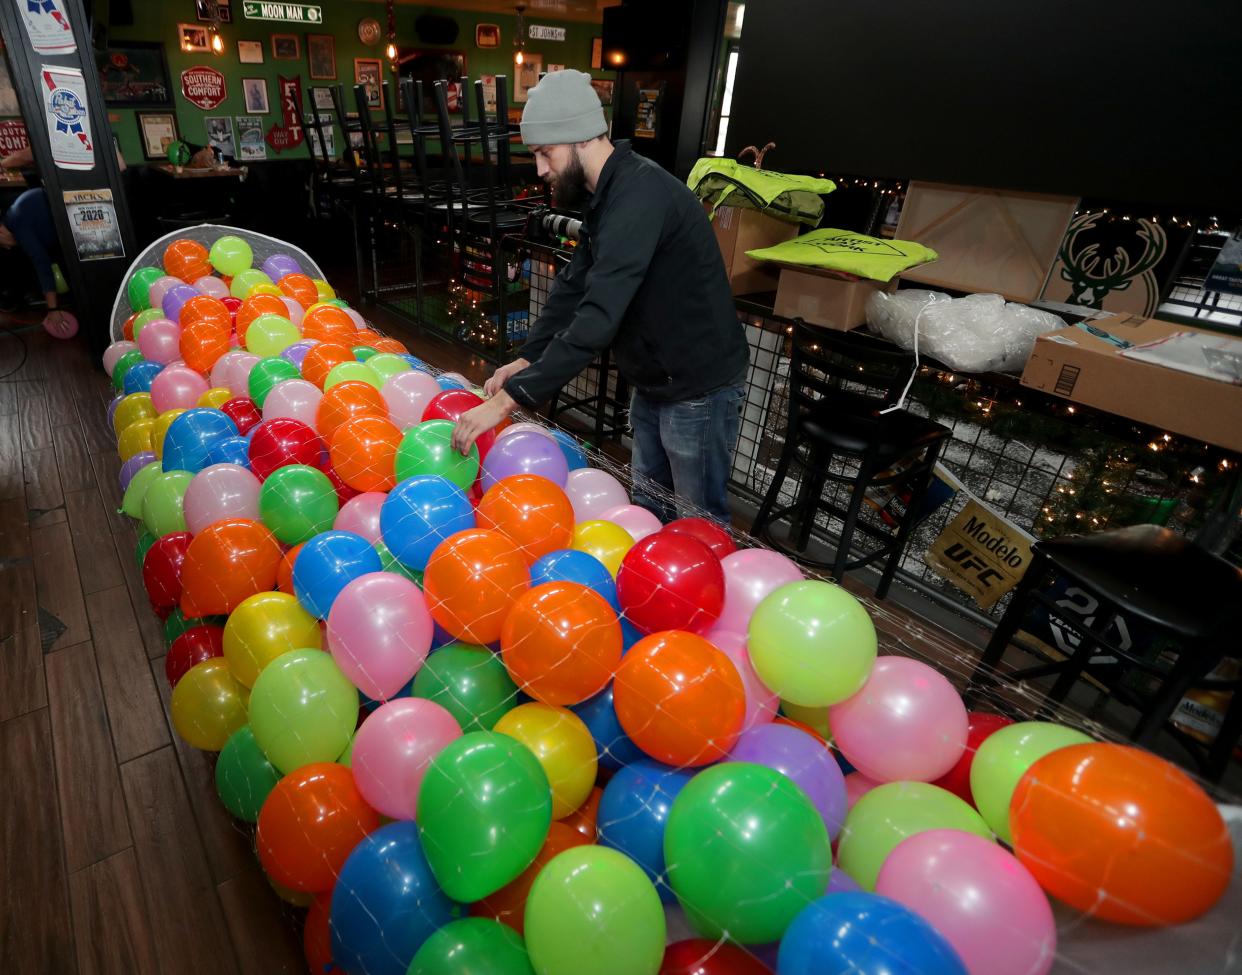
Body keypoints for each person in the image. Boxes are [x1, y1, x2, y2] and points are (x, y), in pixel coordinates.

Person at [450, 69, 749, 523]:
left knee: (698, 524)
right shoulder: (606, 193)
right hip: (653, 381)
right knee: (648, 512)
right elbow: (573, 287)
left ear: (579, 138)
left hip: (697, 387)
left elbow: (598, 316)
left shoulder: (639, 193)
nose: (541, 169)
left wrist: (508, 399)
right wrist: (527, 358)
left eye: (545, 153)